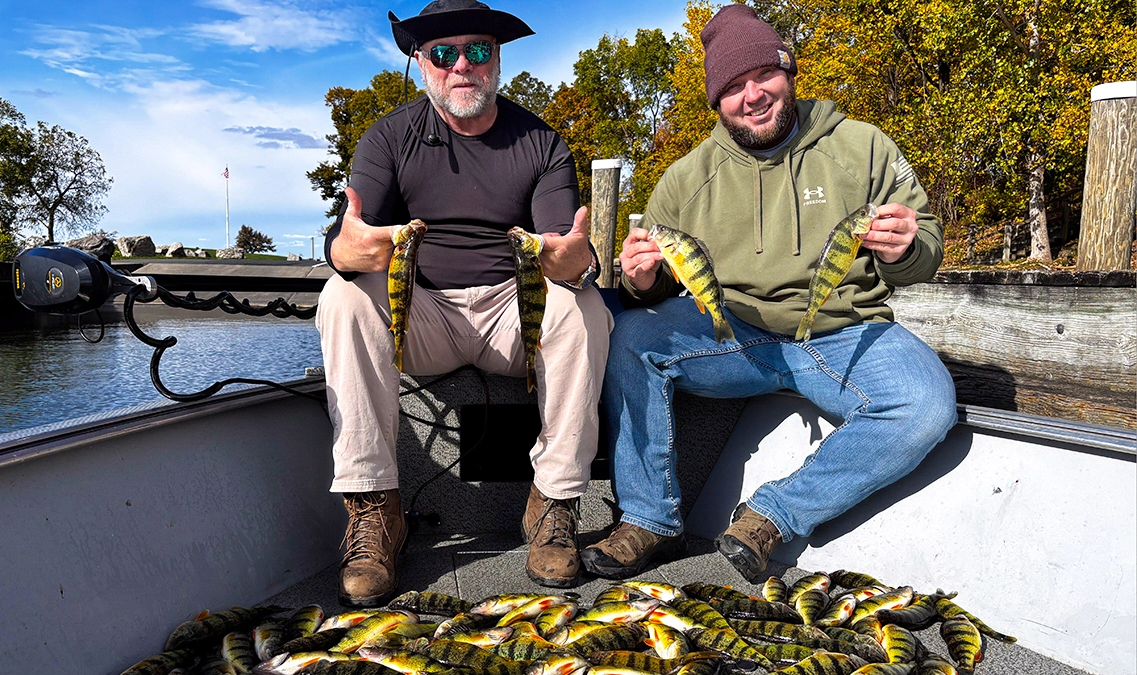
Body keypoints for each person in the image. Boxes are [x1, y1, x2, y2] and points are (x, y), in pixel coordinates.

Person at [580, 4, 958, 582]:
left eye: (764, 76)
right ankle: (647, 518)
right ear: (716, 101)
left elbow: (924, 251)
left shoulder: (863, 146)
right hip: (738, 339)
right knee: (631, 336)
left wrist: (907, 246)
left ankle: (772, 515)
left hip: (846, 331)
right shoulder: (685, 178)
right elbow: (644, 288)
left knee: (927, 402)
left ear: (790, 72)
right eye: (732, 86)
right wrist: (639, 279)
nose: (752, 95)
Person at [315, 0, 611, 605]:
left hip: (511, 316)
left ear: (497, 60)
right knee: (341, 297)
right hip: (420, 314)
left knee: (585, 306)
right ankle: (375, 510)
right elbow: (349, 238)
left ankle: (554, 502)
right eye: (443, 53)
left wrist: (573, 260)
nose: (461, 66)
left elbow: (563, 248)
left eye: (477, 50)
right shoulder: (386, 138)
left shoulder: (542, 142)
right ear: (421, 64)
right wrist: (347, 250)